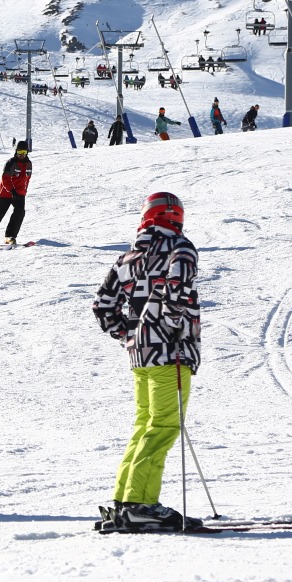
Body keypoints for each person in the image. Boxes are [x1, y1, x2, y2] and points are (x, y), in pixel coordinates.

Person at [91, 191, 203, 532]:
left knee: (145, 425)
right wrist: (168, 331)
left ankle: (125, 501)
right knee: (164, 426)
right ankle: (142, 504)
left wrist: (131, 334)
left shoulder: (127, 258)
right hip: (172, 353)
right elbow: (176, 292)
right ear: (177, 218)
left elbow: (102, 305)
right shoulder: (180, 250)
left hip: (141, 355)